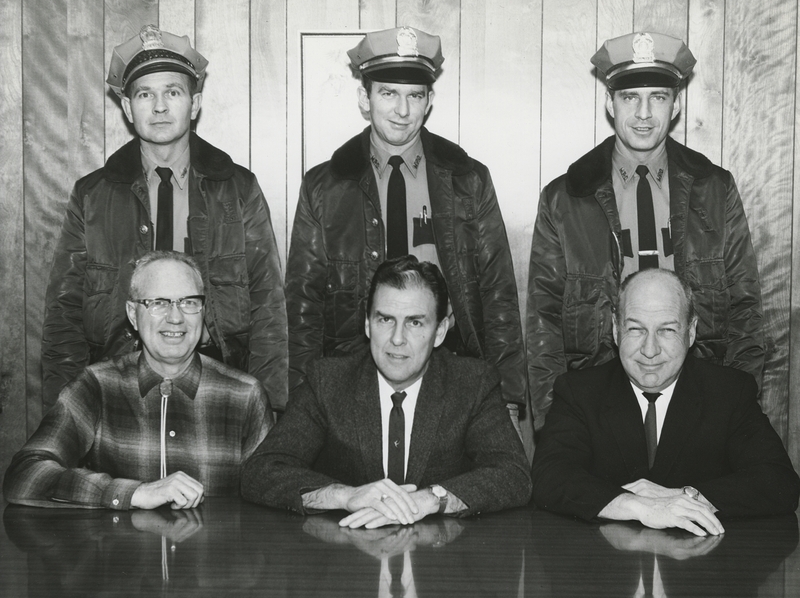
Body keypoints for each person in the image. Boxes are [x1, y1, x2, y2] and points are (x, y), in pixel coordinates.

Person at [286, 26, 526, 428]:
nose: (402, 110)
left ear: (429, 101)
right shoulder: (324, 186)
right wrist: (303, 401)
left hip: (451, 368)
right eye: (388, 93)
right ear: (365, 98)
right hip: (353, 373)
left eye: (414, 96)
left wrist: (510, 396)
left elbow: (497, 293)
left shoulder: (468, 180)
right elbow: (303, 304)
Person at [41, 25, 287, 411]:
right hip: (117, 391)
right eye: (144, 94)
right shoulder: (92, 196)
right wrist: (65, 414)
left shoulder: (238, 189)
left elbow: (268, 306)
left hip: (219, 386)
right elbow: (64, 315)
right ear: (126, 108)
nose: (159, 107)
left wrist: (271, 410)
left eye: (172, 92)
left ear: (195, 103)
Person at [527, 31, 763, 430]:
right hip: (595, 396)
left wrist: (737, 410)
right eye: (630, 97)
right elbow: (543, 320)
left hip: (700, 392)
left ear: (675, 106)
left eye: (658, 97)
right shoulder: (565, 197)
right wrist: (557, 424)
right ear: (609, 102)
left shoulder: (715, 189)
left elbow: (745, 310)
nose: (643, 113)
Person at [242, 256, 531, 528]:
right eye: (385, 319)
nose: (396, 339)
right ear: (368, 323)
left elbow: (514, 475)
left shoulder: (472, 384)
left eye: (415, 322)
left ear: (440, 331)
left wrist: (433, 499)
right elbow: (261, 471)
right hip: (348, 560)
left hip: (439, 563)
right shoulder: (327, 382)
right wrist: (345, 496)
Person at [531, 269, 798, 536]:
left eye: (667, 330)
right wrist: (635, 505)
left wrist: (683, 497)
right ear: (615, 329)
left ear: (691, 332)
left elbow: (778, 481)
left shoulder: (728, 392)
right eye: (636, 329)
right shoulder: (580, 392)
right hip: (611, 567)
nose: (650, 350)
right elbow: (549, 475)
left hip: (699, 565)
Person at [5, 251, 273, 509]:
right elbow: (25, 475)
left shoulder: (245, 395)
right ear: (133, 314)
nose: (176, 317)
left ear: (204, 311)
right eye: (158, 303)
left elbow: (269, 498)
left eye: (189, 302)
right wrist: (132, 493)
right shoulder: (97, 385)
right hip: (120, 555)